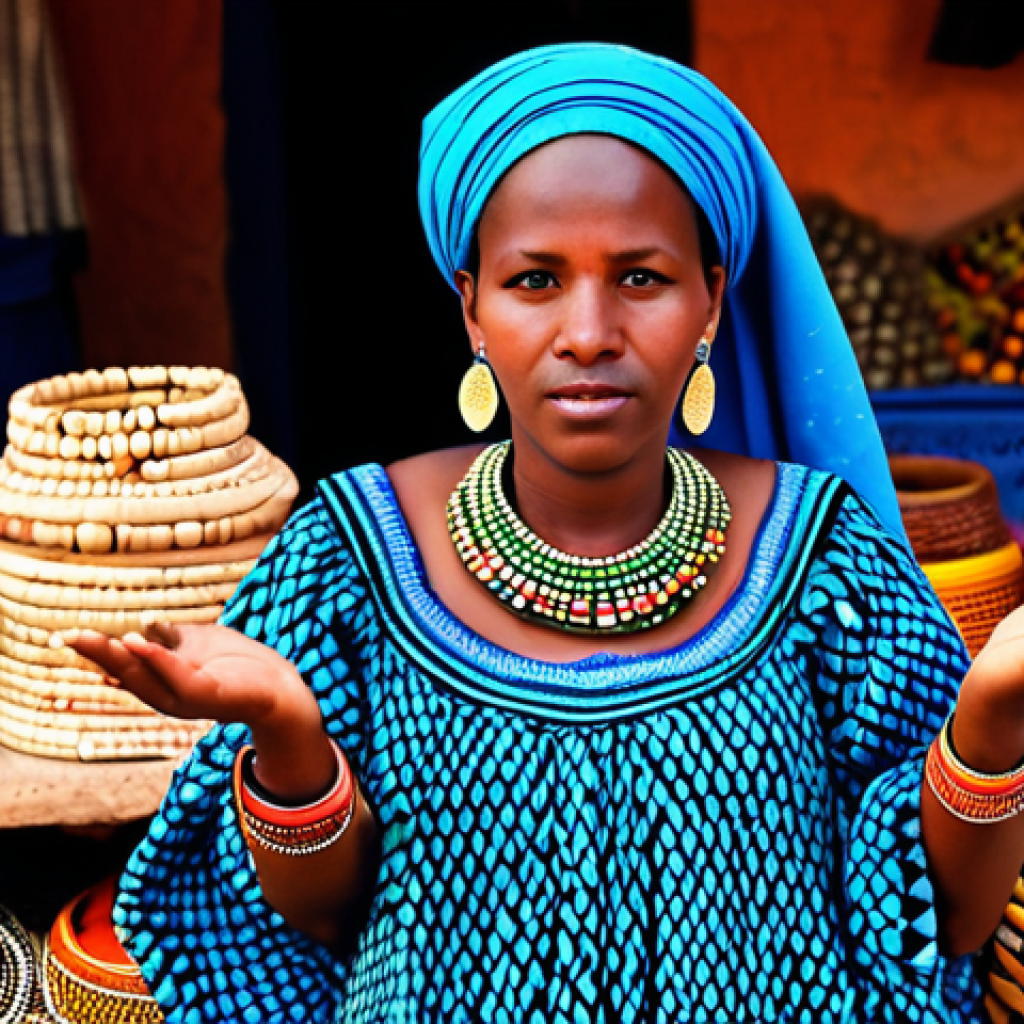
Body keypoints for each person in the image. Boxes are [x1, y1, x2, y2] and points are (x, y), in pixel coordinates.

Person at [62, 43, 1024, 1023]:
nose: (589, 331)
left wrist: (993, 710)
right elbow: (320, 920)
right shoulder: (347, 559)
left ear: (710, 300)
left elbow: (943, 920)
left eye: (640, 277)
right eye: (534, 281)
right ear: (471, 306)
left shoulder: (824, 560)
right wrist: (285, 729)